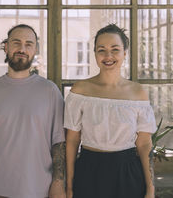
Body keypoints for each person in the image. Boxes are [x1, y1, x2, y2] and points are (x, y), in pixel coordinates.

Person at [0, 24, 66, 198]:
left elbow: (59, 143)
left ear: (35, 50)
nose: (22, 49)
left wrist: (58, 183)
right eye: (16, 43)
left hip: (38, 189)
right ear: (6, 47)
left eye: (28, 44)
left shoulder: (50, 91)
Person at [64, 24, 157, 198]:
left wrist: (150, 189)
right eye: (102, 50)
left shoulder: (138, 93)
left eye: (115, 49)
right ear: (95, 54)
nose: (108, 56)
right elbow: (72, 140)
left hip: (128, 174)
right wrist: (69, 188)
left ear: (124, 53)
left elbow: (144, 144)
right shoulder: (80, 91)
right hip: (88, 171)